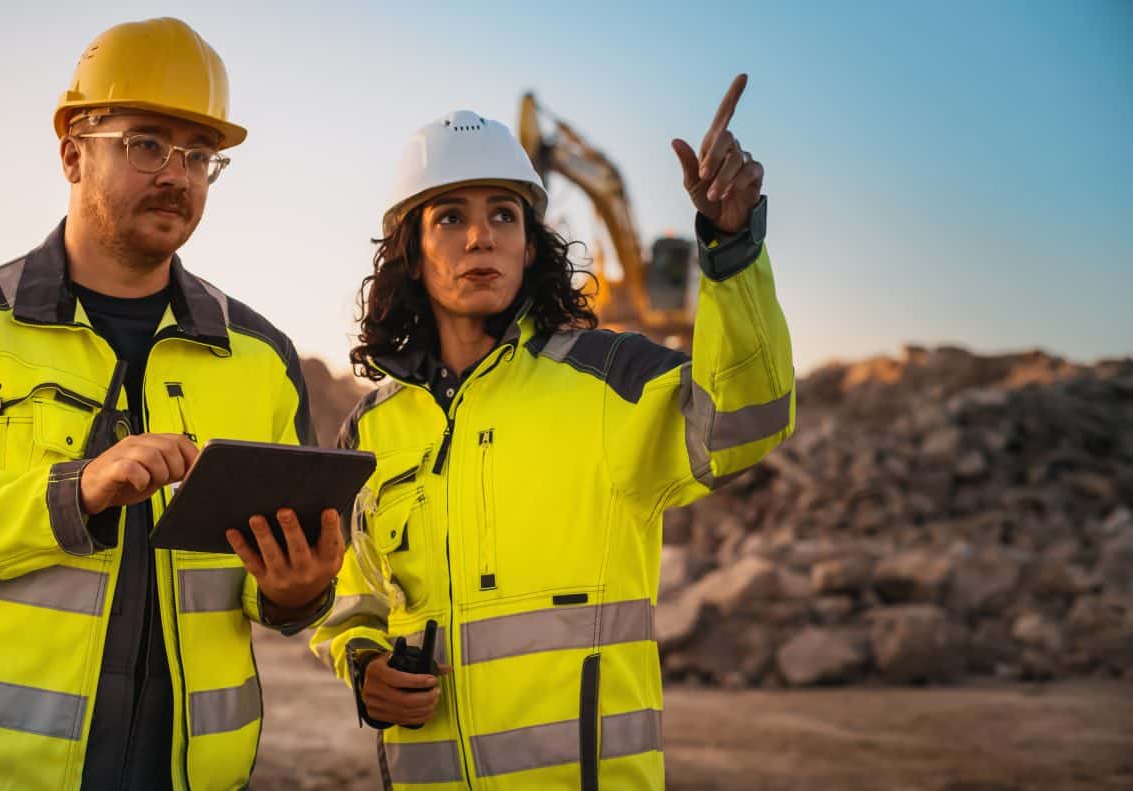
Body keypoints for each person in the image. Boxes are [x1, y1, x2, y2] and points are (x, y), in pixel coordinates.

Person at [0, 18, 342, 791]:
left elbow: (269, 585)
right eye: (146, 142)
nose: (178, 175)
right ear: (72, 153)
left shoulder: (262, 358)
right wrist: (73, 491)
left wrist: (296, 590)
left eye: (200, 156)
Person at [311, 75, 794, 789]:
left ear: (531, 246)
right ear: (410, 250)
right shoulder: (372, 428)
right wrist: (363, 664)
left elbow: (748, 415)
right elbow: (354, 597)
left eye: (504, 215)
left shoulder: (611, 380)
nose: (481, 236)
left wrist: (730, 249)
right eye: (449, 216)